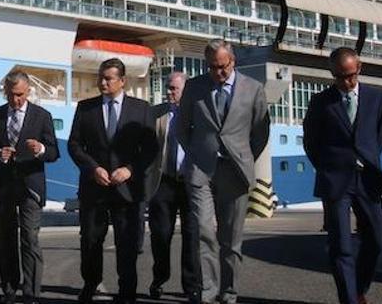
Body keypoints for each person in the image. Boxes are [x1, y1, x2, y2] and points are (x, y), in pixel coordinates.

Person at [176, 39, 269, 304]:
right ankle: (208, 291)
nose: (219, 72)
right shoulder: (194, 87)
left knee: (231, 239)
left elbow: (260, 132)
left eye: (223, 66)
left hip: (235, 171)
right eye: (213, 67)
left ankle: (229, 292)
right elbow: (182, 129)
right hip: (201, 170)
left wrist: (243, 156)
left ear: (233, 61)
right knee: (204, 232)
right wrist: (198, 152)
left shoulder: (254, 89)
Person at [303, 47, 382, 304]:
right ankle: (350, 301)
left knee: (377, 239)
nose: (346, 82)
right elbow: (311, 142)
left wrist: (366, 161)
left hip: (368, 178)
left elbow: (378, 136)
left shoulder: (376, 98)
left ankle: (359, 289)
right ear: (332, 74)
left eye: (351, 75)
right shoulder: (321, 102)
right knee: (341, 245)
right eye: (340, 77)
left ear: (360, 68)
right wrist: (328, 167)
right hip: (335, 180)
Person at [68, 58, 157, 304]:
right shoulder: (86, 108)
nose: (102, 82)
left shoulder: (141, 109)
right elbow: (74, 145)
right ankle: (90, 284)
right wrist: (92, 168)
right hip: (93, 187)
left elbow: (150, 148)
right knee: (90, 240)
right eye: (100, 77)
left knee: (127, 242)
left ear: (122, 81)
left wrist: (130, 169)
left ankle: (127, 291)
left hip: (127, 189)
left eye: (108, 78)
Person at [0, 71, 59, 304]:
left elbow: (53, 152)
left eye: (19, 95)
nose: (15, 100)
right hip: (3, 187)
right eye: (10, 95)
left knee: (29, 238)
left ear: (28, 91)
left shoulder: (42, 116)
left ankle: (31, 293)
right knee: (5, 239)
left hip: (30, 185)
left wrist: (39, 149)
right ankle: (9, 289)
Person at [145, 72, 200, 302]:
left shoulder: (197, 113)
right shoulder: (155, 113)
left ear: (185, 91)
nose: (168, 92)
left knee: (191, 236)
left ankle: (192, 286)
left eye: (173, 88)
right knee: (160, 235)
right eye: (168, 88)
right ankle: (159, 279)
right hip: (163, 182)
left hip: (190, 183)